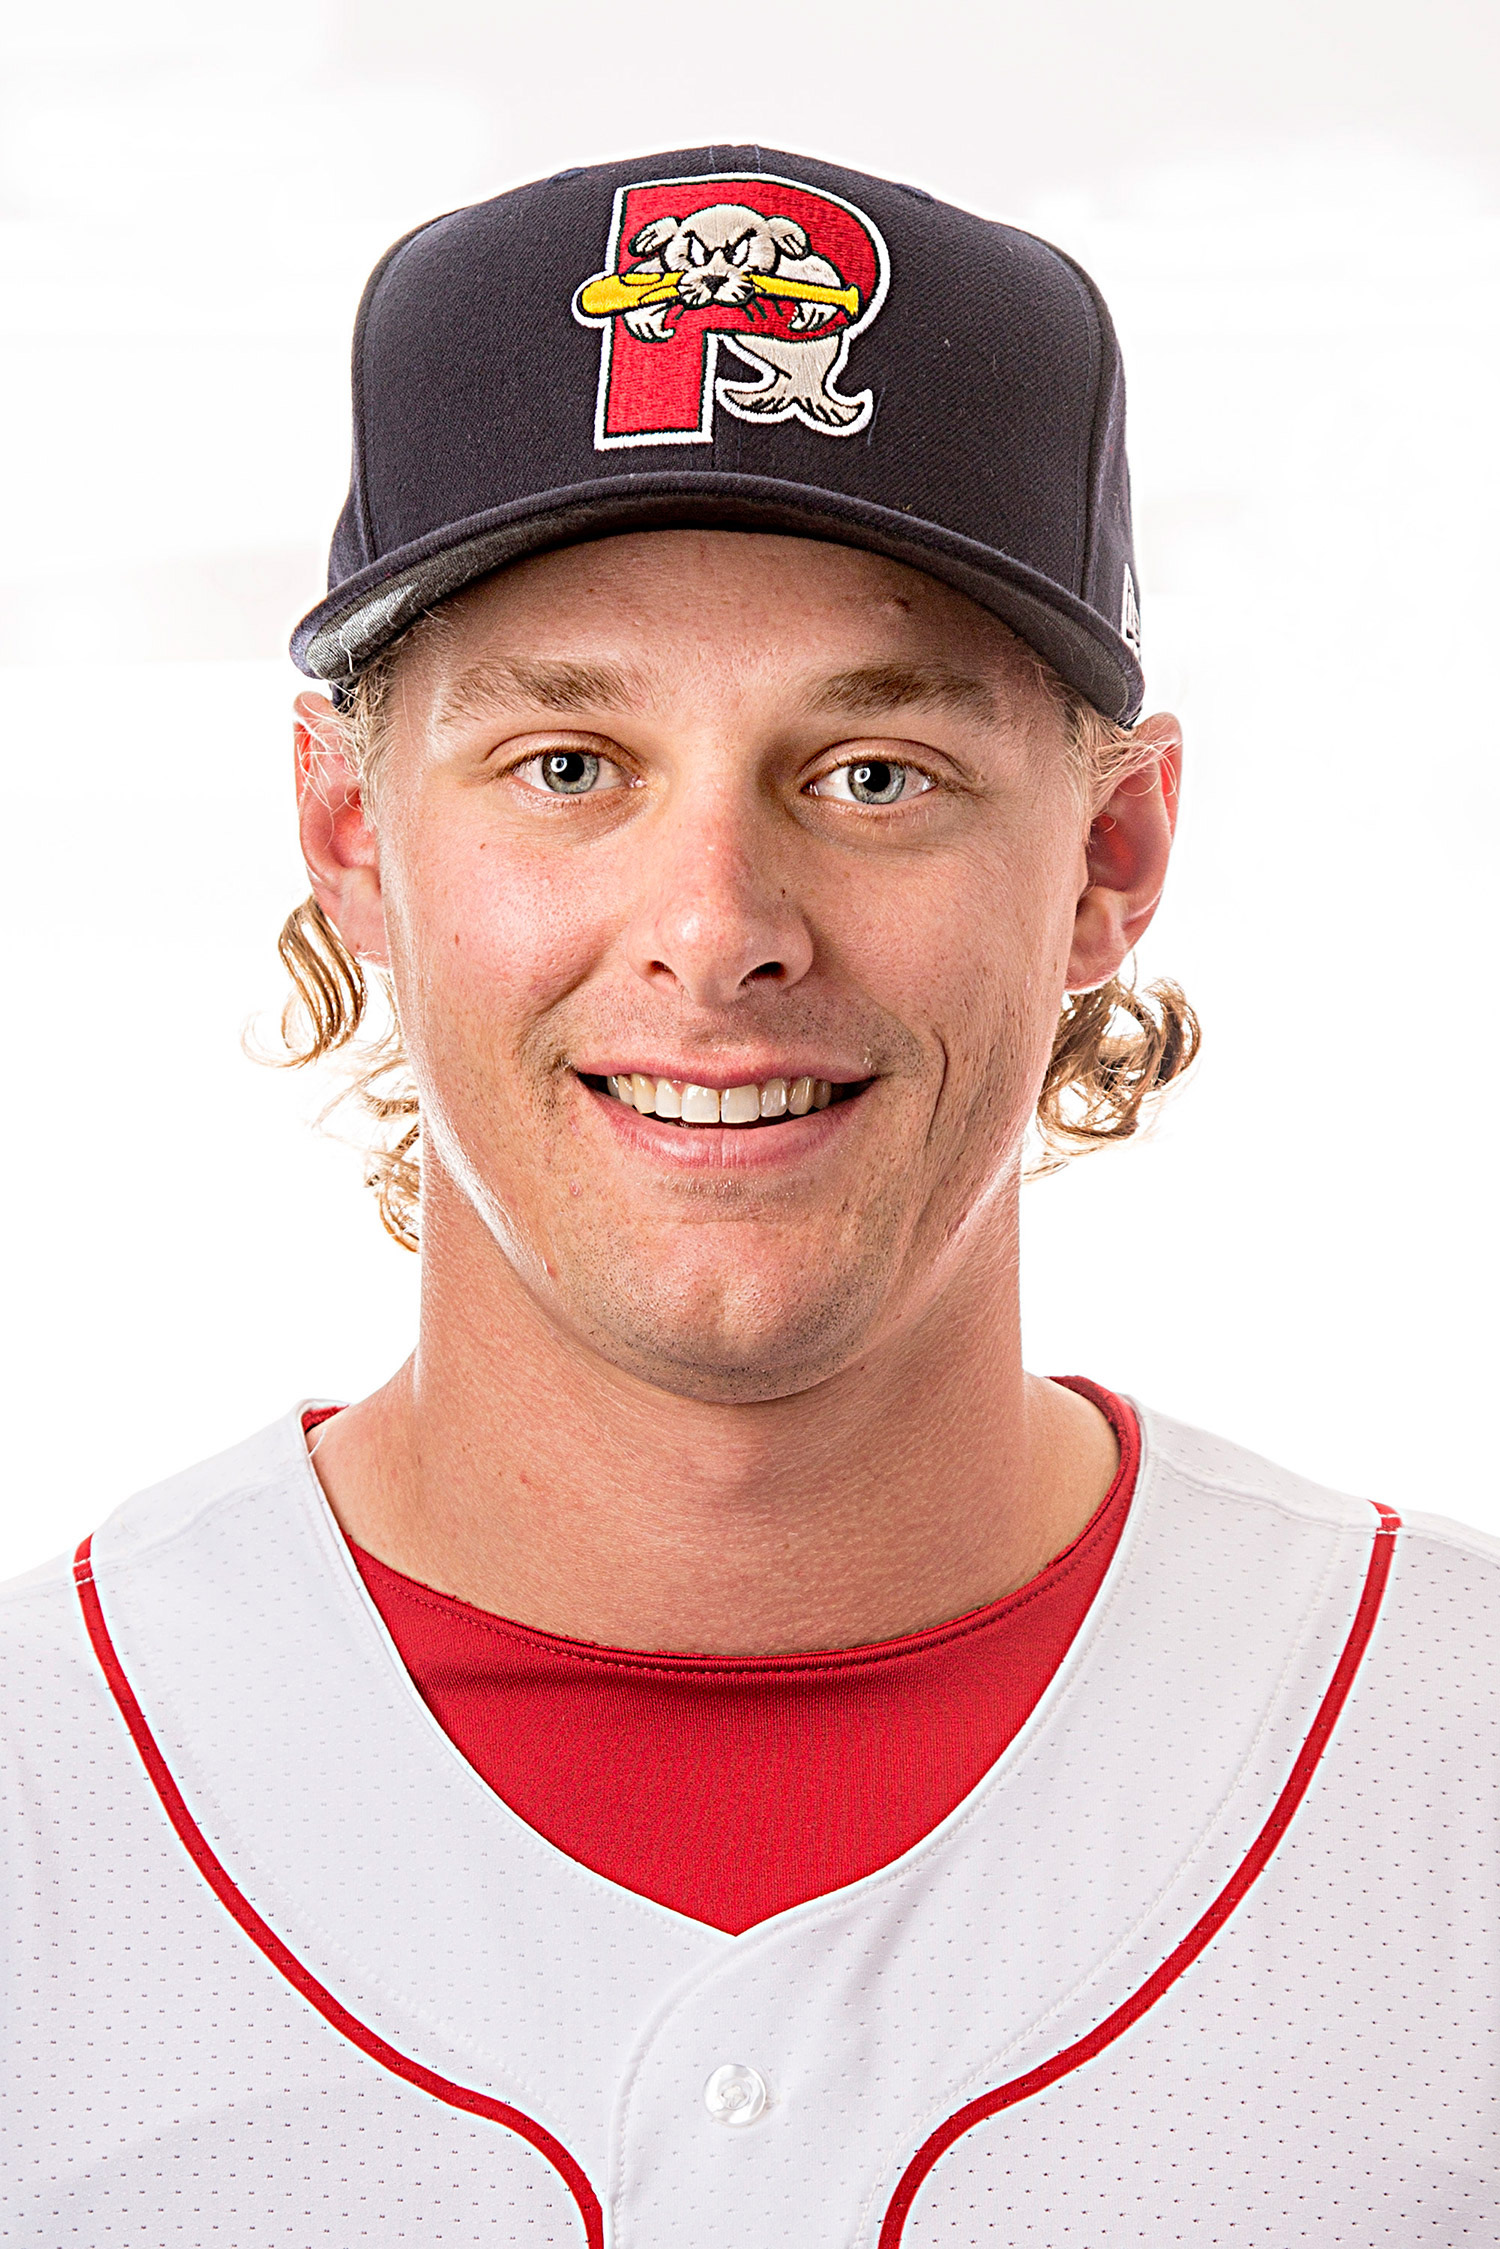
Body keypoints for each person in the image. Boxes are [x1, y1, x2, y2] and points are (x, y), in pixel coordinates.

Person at [3, 145, 1495, 2248]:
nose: (716, 930)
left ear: (1113, 856)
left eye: (874, 775)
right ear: (349, 833)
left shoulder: (1460, 1761)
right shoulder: (42, 1795)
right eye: (569, 765)